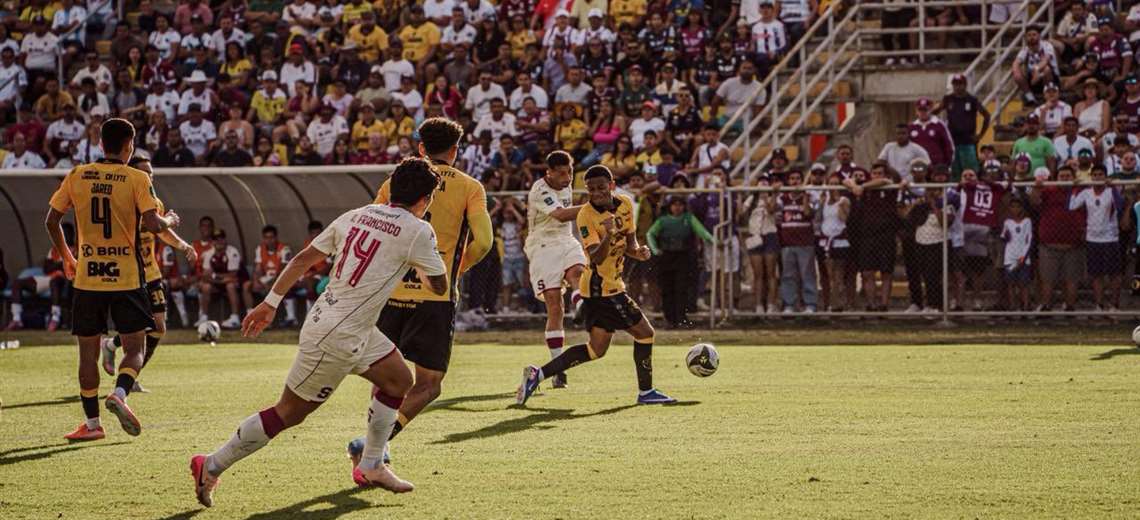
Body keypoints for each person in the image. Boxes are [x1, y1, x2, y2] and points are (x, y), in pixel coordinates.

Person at [190, 157, 450, 507]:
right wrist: (423, 268)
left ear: (391, 189)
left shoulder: (357, 214)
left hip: (345, 324)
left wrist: (270, 302)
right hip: (336, 337)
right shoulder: (419, 230)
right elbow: (439, 286)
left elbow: (302, 259)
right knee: (289, 412)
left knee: (399, 381)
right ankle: (210, 464)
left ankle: (372, 464)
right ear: (425, 199)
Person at [362, 118, 493, 460]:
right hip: (435, 296)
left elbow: (376, 227)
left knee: (386, 378)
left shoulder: (394, 182)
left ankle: (374, 444)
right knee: (429, 385)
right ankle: (377, 442)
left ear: (421, 148)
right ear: (455, 150)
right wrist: (452, 271)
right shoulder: (470, 187)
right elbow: (484, 242)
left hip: (391, 294)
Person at [46, 118, 180, 441]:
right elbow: (152, 224)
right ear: (129, 146)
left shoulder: (77, 174)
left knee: (87, 354)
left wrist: (68, 257)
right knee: (135, 347)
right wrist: (170, 220)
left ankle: (92, 425)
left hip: (88, 278)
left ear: (100, 143)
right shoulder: (137, 178)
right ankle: (120, 393)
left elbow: (51, 220)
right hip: (127, 278)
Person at [517, 164, 676, 406]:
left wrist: (639, 252)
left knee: (596, 350)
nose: (596, 193)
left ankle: (536, 375)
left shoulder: (625, 204)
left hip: (610, 285)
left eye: (601, 187)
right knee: (645, 333)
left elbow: (630, 244)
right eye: (591, 189)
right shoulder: (586, 215)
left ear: (612, 186)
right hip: (601, 289)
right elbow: (595, 257)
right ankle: (646, 392)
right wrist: (608, 234)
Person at [99, 157, 197, 394]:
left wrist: (183, 245)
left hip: (151, 273)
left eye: (151, 173)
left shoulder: (154, 202)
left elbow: (160, 231)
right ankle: (126, 380)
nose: (150, 177)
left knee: (159, 328)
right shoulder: (119, 201)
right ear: (132, 174)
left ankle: (112, 347)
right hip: (128, 274)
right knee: (138, 329)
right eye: (145, 172)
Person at [523, 151, 586, 387]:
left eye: (570, 171)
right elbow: (560, 215)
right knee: (555, 306)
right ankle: (558, 368)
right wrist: (593, 206)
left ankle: (581, 305)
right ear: (548, 173)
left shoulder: (566, 185)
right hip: (542, 245)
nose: (567, 177)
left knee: (577, 272)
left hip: (566, 240)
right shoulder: (540, 190)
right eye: (561, 173)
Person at [647, 195, 714, 327]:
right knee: (667, 289)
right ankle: (670, 319)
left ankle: (681, 318)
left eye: (680, 205)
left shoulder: (689, 218)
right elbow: (650, 234)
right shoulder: (663, 220)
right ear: (670, 207)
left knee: (682, 288)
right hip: (666, 257)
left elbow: (702, 232)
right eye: (674, 205)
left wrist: (714, 241)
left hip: (683, 256)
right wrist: (655, 250)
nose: (677, 208)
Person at [1069, 165, 1125, 311]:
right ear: (1091, 177)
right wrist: (1075, 188)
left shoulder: (1110, 191)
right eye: (1095, 175)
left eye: (1101, 174)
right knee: (1096, 274)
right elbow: (1072, 206)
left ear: (1105, 176)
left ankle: (1114, 305)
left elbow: (1120, 206)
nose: (1098, 177)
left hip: (1110, 238)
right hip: (1092, 238)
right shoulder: (1086, 192)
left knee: (1114, 274)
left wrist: (1113, 188)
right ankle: (1099, 304)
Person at [1030, 166, 1084, 311]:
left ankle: (1070, 307)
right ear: (1056, 178)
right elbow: (1034, 201)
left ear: (1073, 177)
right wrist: (1036, 188)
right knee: (1047, 279)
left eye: (1068, 176)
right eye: (1062, 176)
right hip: (1049, 245)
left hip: (1073, 245)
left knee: (1071, 279)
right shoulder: (1049, 190)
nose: (1065, 179)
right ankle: (1046, 306)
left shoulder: (1080, 191)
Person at [770, 169, 816, 313]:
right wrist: (774, 193)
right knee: (788, 275)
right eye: (792, 179)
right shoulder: (783, 198)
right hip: (787, 243)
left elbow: (808, 213)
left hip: (805, 243)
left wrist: (805, 197)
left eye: (798, 178)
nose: (795, 181)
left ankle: (810, 304)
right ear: (788, 181)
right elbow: (771, 209)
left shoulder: (809, 196)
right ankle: (789, 304)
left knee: (807, 275)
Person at [242, 225, 298, 327]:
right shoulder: (260, 249)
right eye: (266, 238)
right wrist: (256, 281)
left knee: (272, 287)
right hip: (266, 278)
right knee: (247, 285)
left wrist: (271, 283)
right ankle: (250, 315)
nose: (269, 240)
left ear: (276, 237)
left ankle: (278, 319)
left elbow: (284, 271)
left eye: (271, 237)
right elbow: (258, 269)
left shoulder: (284, 249)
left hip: (281, 278)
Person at [197, 229, 244, 329]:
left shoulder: (232, 252)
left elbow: (232, 275)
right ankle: (203, 317)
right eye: (216, 239)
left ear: (225, 239)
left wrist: (214, 276)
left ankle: (235, 318)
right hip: (216, 282)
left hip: (232, 282)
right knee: (205, 286)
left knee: (230, 285)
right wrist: (217, 279)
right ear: (212, 241)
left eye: (221, 238)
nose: (219, 241)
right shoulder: (208, 253)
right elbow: (205, 275)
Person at [1000, 197, 1033, 311]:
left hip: (1023, 257)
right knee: (1011, 283)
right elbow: (1003, 237)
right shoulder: (1007, 222)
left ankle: (1025, 307)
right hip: (1010, 257)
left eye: (1018, 207)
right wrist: (1006, 236)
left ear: (1022, 208)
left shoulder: (1027, 221)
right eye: (1013, 207)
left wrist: (1023, 257)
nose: (1015, 209)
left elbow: (1029, 240)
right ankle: (1012, 307)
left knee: (1024, 283)